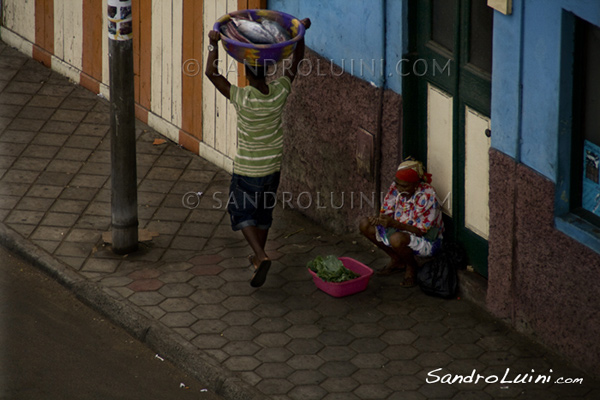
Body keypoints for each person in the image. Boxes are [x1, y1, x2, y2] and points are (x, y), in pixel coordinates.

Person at [205, 18, 311, 287]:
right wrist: (300, 34)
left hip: (248, 169)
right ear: (266, 73)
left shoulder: (243, 98)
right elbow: (296, 62)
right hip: (272, 167)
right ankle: (257, 259)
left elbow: (211, 74)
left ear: (249, 75)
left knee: (240, 212)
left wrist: (213, 45)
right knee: (263, 214)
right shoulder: (279, 92)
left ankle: (261, 254)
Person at [359, 159, 444, 287]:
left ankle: (411, 267)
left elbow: (421, 231)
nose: (399, 189)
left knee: (396, 239)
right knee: (365, 224)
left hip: (426, 238)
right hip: (399, 230)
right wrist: (379, 220)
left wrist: (394, 224)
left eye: (404, 186)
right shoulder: (396, 187)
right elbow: (387, 212)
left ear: (416, 184)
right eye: (398, 184)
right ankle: (397, 259)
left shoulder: (427, 196)